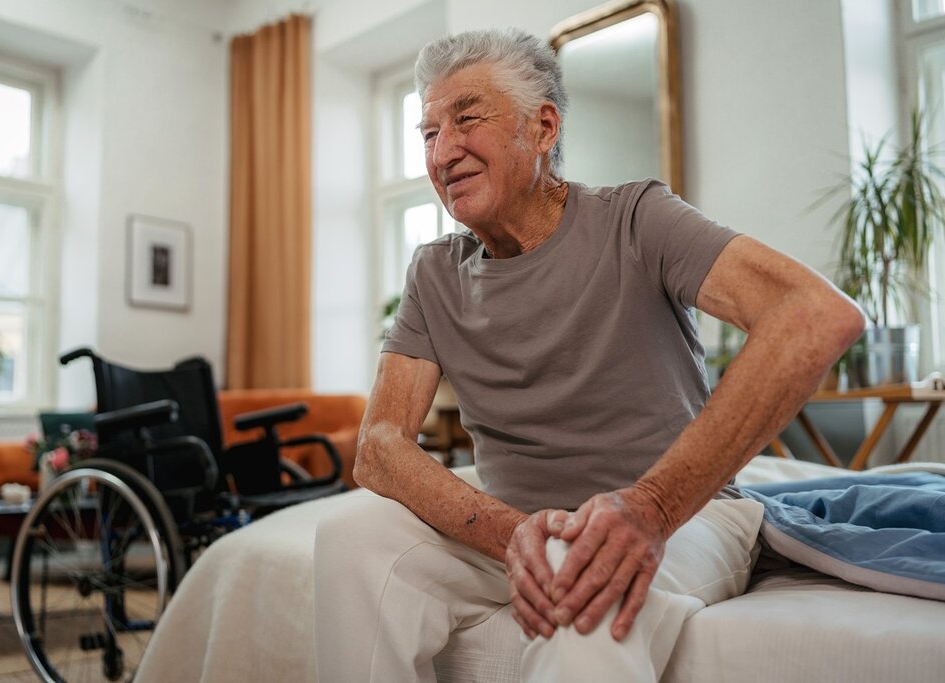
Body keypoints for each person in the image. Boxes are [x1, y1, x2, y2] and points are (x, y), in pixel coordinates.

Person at [314, 27, 863, 682]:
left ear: (543, 128)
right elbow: (379, 444)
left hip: (684, 518)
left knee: (587, 590)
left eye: (466, 120)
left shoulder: (636, 219)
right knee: (349, 540)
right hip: (522, 524)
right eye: (428, 133)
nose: (443, 152)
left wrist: (652, 507)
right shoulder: (435, 272)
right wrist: (511, 532)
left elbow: (812, 314)